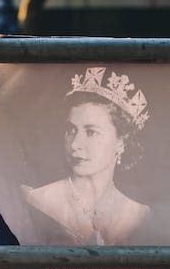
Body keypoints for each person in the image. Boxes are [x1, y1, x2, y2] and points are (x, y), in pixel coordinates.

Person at [20, 67, 151, 245]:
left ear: (121, 142)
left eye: (92, 132)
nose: (75, 145)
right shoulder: (36, 200)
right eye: (71, 130)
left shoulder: (140, 214)